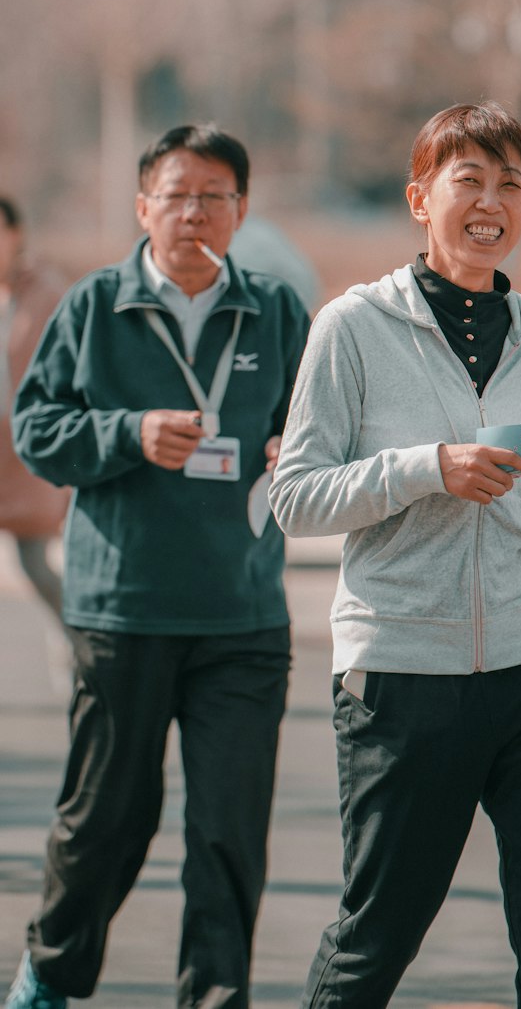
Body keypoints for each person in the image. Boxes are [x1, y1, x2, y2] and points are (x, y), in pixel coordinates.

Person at [269, 100, 521, 1009]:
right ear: (420, 197)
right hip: (402, 673)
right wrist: (427, 469)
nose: (492, 201)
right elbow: (295, 496)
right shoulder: (351, 327)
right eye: (470, 177)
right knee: (377, 935)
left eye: (512, 183)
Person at [5, 124, 311, 1009]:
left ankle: (214, 998)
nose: (194, 211)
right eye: (176, 194)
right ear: (142, 207)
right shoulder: (93, 308)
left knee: (228, 835)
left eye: (214, 195)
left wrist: (296, 446)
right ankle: (52, 975)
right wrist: (129, 435)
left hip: (243, 616)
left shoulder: (278, 311)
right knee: (106, 821)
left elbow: (318, 430)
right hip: (122, 611)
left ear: (241, 211)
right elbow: (38, 433)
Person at [0, 197, 68, 622]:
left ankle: (89, 655)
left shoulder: (45, 293)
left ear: (16, 235)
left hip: (27, 450)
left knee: (38, 565)